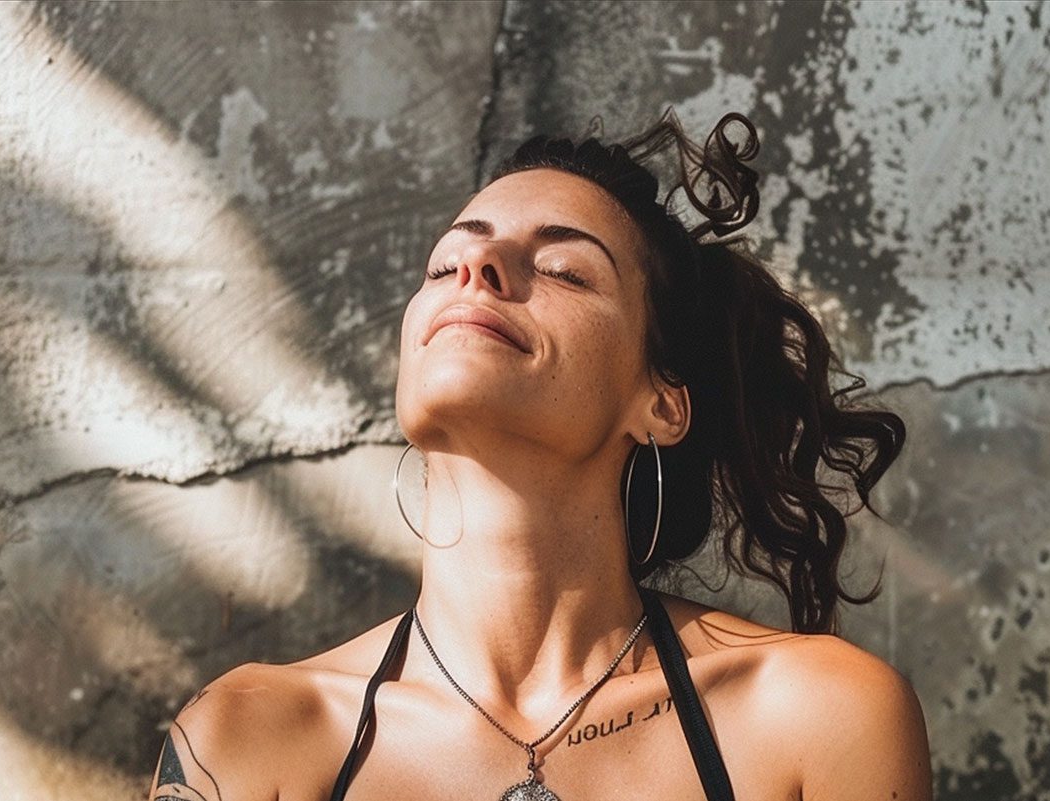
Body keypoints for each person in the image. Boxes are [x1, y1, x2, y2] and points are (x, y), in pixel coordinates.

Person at [147, 107, 932, 801]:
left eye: (562, 269)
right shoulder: (248, 735)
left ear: (661, 403)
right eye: (444, 263)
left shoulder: (814, 715)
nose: (476, 271)